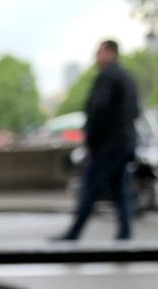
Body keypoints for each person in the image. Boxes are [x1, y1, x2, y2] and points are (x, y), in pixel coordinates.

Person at [56, 40, 140, 241]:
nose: (96, 57)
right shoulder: (127, 78)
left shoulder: (107, 77)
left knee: (90, 187)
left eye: (99, 53)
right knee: (120, 190)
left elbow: (98, 111)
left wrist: (91, 141)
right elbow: (135, 111)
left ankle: (74, 233)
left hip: (106, 144)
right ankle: (124, 234)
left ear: (110, 53)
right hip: (123, 142)